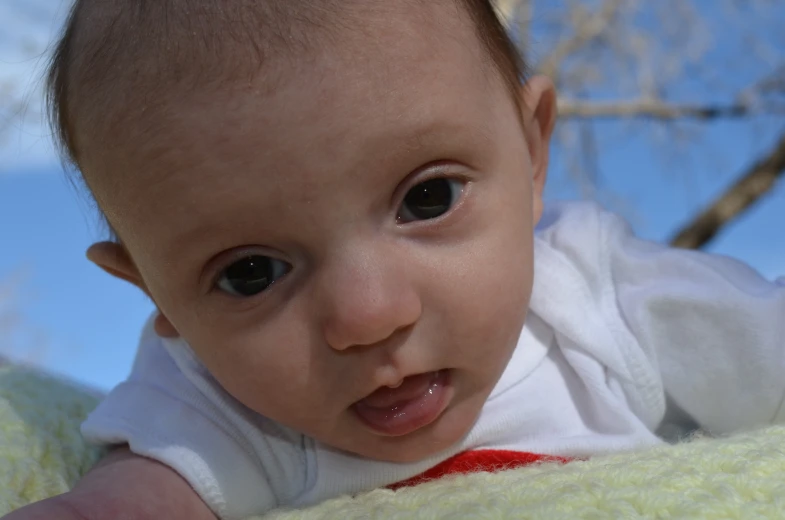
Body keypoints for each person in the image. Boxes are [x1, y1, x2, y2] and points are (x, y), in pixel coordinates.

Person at [7, 0, 785, 519]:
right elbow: (130, 500)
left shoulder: (599, 298)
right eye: (250, 273)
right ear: (161, 303)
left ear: (530, 146)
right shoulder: (219, 404)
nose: (366, 317)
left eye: (427, 199)